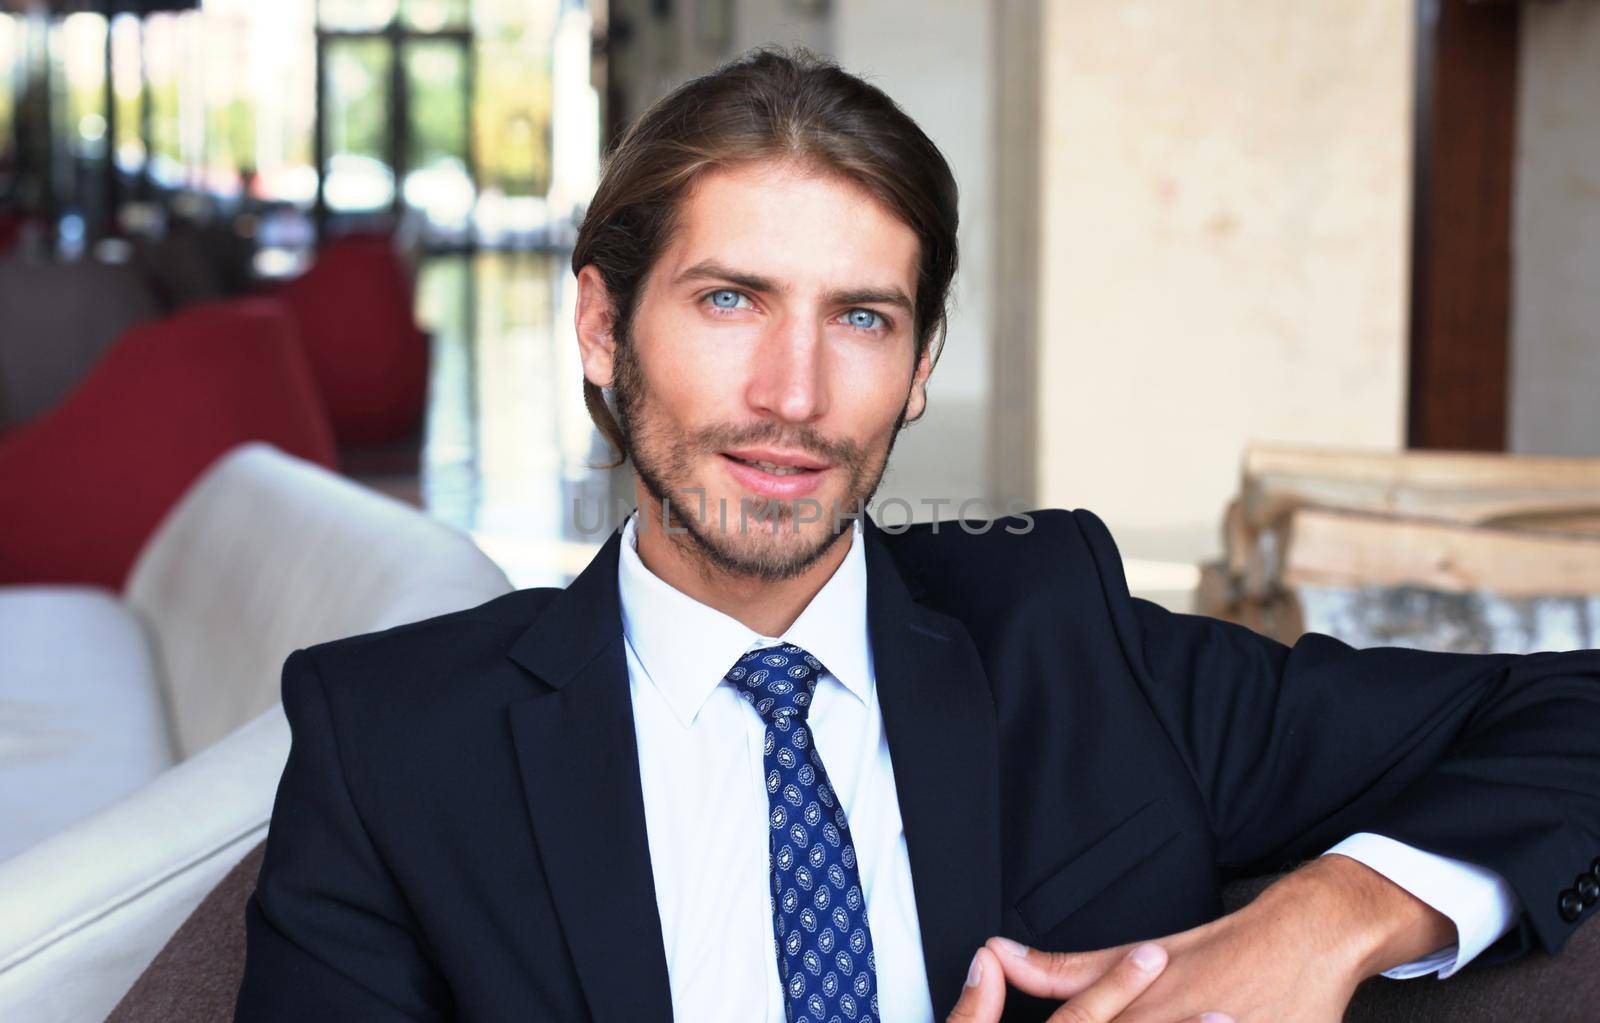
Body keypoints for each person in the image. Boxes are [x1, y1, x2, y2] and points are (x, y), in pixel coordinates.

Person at [235, 47, 1600, 1023]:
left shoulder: (1065, 636)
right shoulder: (394, 739)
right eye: (729, 301)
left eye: (862, 318)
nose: (795, 395)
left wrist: (1330, 919)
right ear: (602, 327)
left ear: (923, 362)